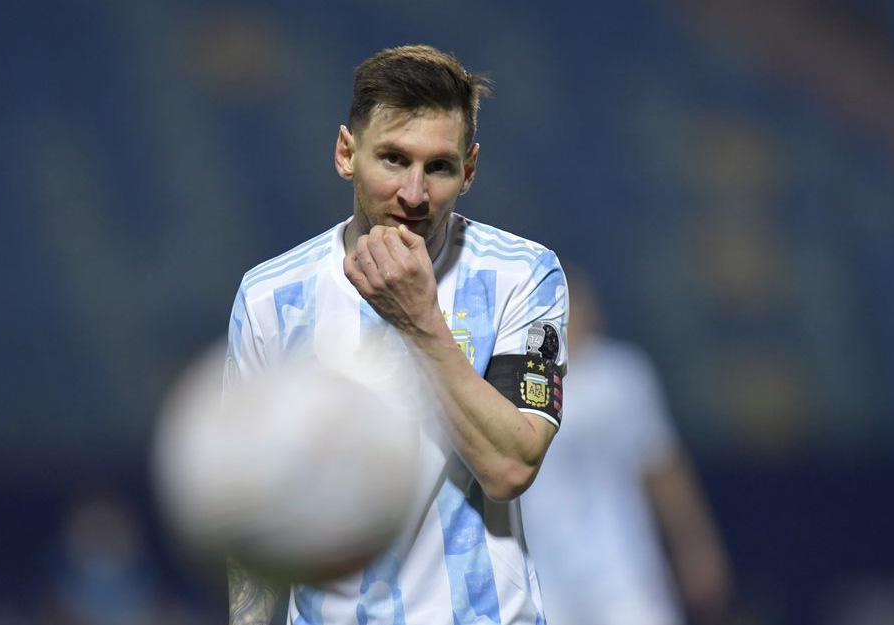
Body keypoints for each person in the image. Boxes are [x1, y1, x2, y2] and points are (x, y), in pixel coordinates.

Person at [223, 45, 568, 625]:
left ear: (470, 169)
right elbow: (250, 503)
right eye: (393, 159)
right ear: (346, 153)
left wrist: (418, 320)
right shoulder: (271, 298)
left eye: (439, 167)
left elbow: (510, 467)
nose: (413, 193)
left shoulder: (523, 275)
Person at [520, 269, 734, 625]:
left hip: (625, 569)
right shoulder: (518, 382)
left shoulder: (623, 375)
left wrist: (695, 546)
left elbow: (662, 469)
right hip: (544, 576)